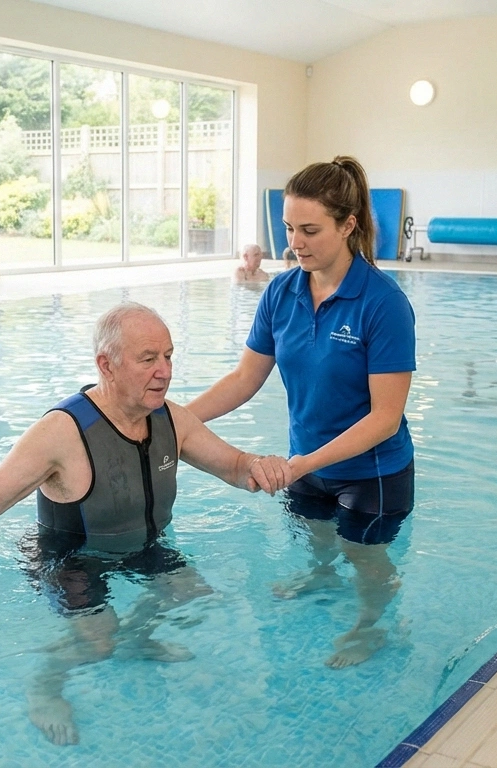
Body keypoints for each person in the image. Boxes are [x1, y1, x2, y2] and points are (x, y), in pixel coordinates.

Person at [0, 302, 291, 747]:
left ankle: (139, 638)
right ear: (106, 365)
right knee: (97, 643)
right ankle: (45, 686)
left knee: (193, 596)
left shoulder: (172, 419)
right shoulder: (62, 432)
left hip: (142, 545)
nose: (165, 371)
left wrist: (260, 466)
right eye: (148, 359)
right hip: (72, 559)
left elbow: (233, 465)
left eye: (169, 356)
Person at [187, 156, 417, 670]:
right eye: (290, 228)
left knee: (368, 561)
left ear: (349, 224)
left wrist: (304, 465)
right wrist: (179, 417)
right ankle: (320, 576)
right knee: (316, 542)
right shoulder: (281, 292)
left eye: (311, 230)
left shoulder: (382, 304)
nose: (296, 242)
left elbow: (384, 417)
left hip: (371, 471)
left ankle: (372, 627)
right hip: (305, 462)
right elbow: (246, 378)